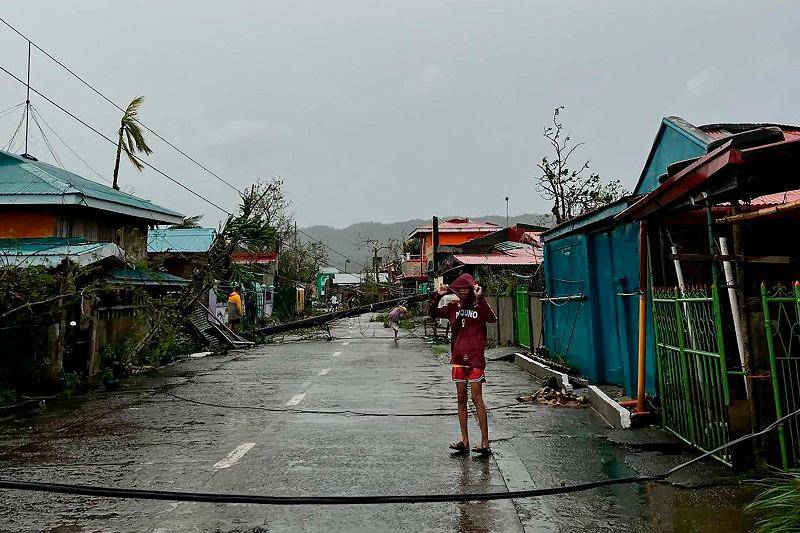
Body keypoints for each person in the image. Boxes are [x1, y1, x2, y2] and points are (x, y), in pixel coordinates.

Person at [429, 273, 497, 455]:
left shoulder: (479, 305)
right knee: (461, 399)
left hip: (475, 359)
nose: (464, 291)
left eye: (467, 288)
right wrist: (438, 295)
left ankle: (485, 442)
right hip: (458, 359)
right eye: (461, 289)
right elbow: (432, 313)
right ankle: (464, 441)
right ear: (457, 290)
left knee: (477, 399)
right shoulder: (452, 307)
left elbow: (492, 318)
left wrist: (480, 298)